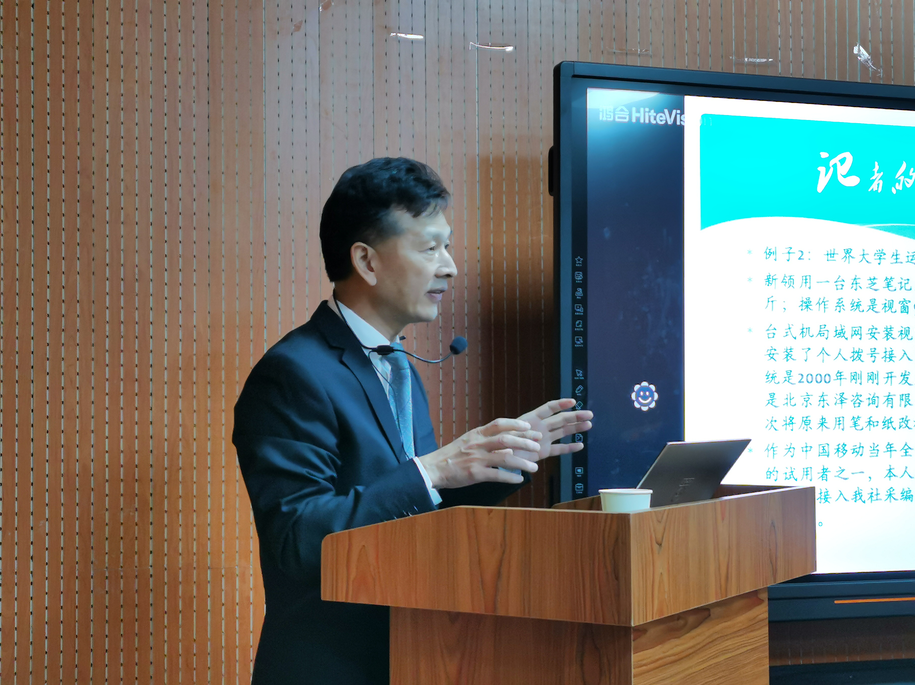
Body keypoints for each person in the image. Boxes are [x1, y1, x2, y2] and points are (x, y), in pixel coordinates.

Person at [233, 157, 593, 685]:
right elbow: (297, 539)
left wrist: (504, 457)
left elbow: (417, 514)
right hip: (333, 667)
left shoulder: (400, 367)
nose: (449, 267)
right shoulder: (293, 373)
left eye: (448, 247)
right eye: (430, 248)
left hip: (416, 656)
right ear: (366, 261)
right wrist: (433, 470)